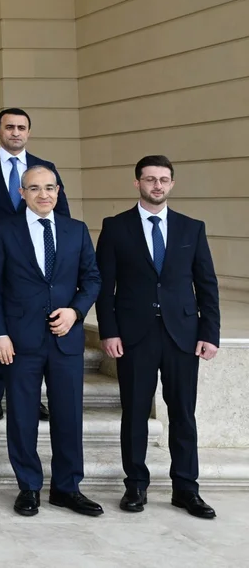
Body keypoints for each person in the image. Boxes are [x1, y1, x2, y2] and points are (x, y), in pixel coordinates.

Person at [97, 155, 220, 519]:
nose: (157, 185)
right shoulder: (115, 227)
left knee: (183, 414)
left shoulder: (191, 228)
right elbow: (105, 286)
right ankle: (135, 485)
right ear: (137, 183)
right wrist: (109, 331)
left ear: (171, 184)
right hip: (134, 336)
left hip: (183, 335)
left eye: (163, 180)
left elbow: (207, 284)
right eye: (150, 179)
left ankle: (186, 489)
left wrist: (210, 333)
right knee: (135, 412)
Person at [0, 166, 102, 518]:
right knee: (22, 416)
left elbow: (92, 279)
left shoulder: (76, 230)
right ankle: (29, 486)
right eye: (34, 188)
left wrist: (75, 312)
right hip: (19, 340)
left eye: (49, 188)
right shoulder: (3, 231)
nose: (43, 194)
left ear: (58, 191)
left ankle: (67, 488)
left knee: (69, 416)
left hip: (66, 339)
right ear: (22, 193)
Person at [0, 107, 68, 421]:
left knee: (33, 329)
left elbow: (62, 216)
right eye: (9, 127)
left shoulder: (45, 169)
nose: (15, 132)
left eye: (21, 127)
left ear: (28, 132)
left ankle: (31, 397)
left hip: (36, 266)